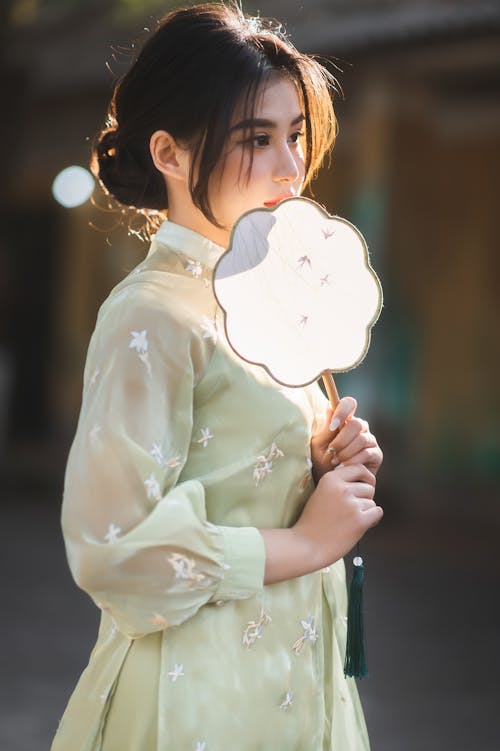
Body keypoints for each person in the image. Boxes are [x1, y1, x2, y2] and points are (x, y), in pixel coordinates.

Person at [51, 3, 384, 750]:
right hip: (196, 701)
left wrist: (319, 464)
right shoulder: (152, 315)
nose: (290, 167)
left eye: (295, 136)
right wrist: (305, 542)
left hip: (301, 683)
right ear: (169, 152)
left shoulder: (278, 302)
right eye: (256, 139)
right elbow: (109, 546)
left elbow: (240, 474)